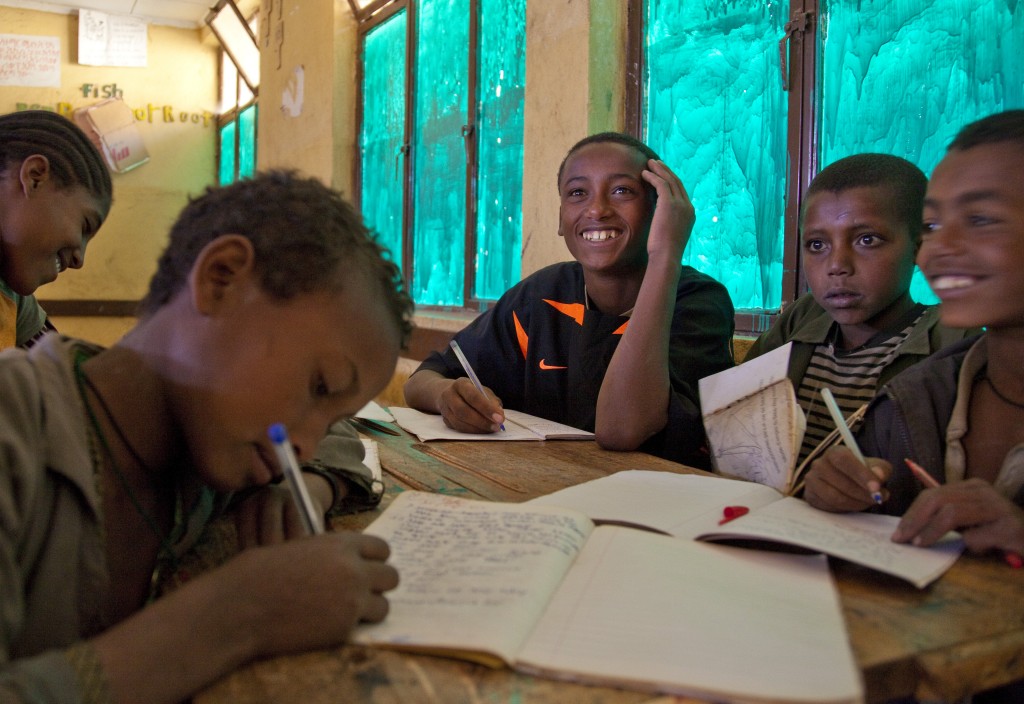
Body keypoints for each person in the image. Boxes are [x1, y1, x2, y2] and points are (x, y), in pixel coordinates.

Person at [0, 170, 413, 703]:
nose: (305, 443)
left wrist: (305, 486)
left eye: (331, 411)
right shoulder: (18, 429)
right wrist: (239, 616)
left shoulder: (214, 443)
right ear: (221, 280)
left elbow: (342, 441)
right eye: (319, 386)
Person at [403, 132, 734, 467]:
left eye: (622, 191)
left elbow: (621, 431)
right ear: (561, 219)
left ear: (659, 210)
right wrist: (447, 396)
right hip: (546, 491)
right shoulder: (541, 295)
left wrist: (666, 255)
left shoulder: (699, 302)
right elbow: (422, 380)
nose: (597, 209)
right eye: (577, 193)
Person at [744, 153, 975, 465]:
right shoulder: (801, 320)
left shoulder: (953, 341)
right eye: (816, 245)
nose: (837, 266)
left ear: (920, 247)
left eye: (867, 240)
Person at [0, 109, 113, 349]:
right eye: (85, 226)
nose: (79, 259)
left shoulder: (11, 293)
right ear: (35, 177)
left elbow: (62, 373)